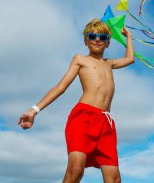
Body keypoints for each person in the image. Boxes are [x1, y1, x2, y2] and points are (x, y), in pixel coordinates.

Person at [18, 18, 134, 183]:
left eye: (103, 37)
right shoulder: (80, 59)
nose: (97, 40)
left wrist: (128, 36)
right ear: (86, 41)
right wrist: (34, 110)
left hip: (106, 123)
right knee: (76, 170)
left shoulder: (109, 63)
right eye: (92, 36)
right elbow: (60, 87)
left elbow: (130, 58)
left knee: (114, 179)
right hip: (83, 117)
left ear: (108, 43)